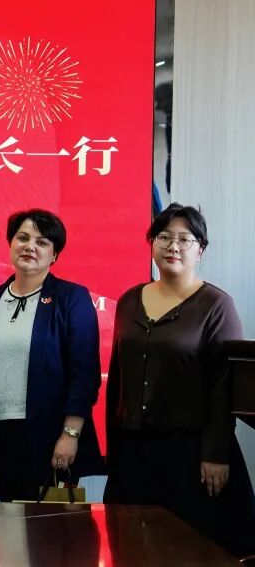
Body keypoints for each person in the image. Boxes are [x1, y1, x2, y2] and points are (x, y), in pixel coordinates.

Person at [105, 203, 255, 557]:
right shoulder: (129, 301)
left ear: (200, 250)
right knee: (131, 546)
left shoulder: (216, 305)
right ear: (152, 244)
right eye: (164, 237)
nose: (173, 246)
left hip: (189, 454)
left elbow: (223, 387)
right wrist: (113, 450)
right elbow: (118, 380)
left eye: (185, 239)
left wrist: (216, 454)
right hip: (133, 451)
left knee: (186, 550)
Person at [0, 209, 104, 501]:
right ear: (11, 243)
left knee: (48, 526)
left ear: (54, 254)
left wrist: (70, 435)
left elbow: (85, 375)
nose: (30, 246)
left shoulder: (71, 298)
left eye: (42, 242)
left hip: (51, 436)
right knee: (8, 522)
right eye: (23, 238)